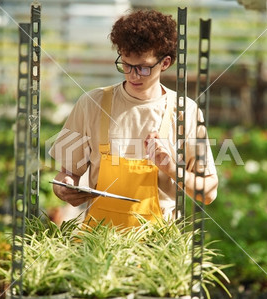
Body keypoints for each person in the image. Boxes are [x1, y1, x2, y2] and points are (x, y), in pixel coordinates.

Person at [49, 9, 218, 228]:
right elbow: (65, 175)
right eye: (126, 64)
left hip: (157, 246)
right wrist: (65, 187)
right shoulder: (92, 104)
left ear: (165, 63)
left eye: (143, 68)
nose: (132, 75)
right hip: (98, 243)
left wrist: (172, 169)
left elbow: (208, 193)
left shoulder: (186, 112)